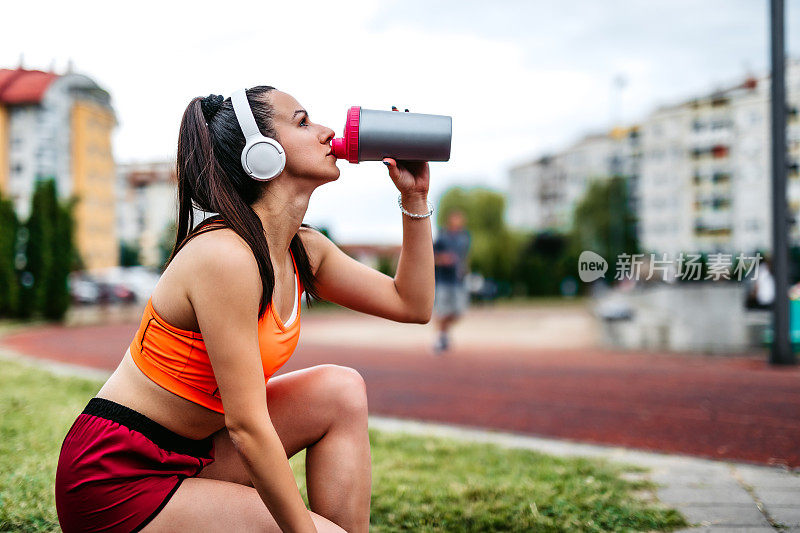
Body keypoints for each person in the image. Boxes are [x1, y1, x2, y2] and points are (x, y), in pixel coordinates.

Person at [54, 87, 434, 533]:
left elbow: (412, 304)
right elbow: (248, 428)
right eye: (303, 121)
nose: (329, 132)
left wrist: (415, 199)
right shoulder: (225, 256)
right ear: (262, 153)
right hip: (120, 477)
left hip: (193, 453)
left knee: (340, 390)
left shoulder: (303, 250)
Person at [432, 209, 471, 354]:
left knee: (459, 312)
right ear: (450, 220)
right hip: (443, 281)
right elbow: (431, 257)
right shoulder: (442, 238)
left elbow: (464, 257)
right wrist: (443, 259)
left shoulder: (464, 238)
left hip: (458, 281)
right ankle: (440, 337)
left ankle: (444, 333)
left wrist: (465, 268)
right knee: (442, 311)